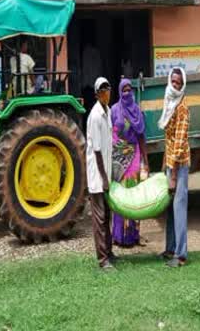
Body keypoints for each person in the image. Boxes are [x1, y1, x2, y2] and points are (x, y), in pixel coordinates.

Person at [110, 78, 148, 248]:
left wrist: (145, 161)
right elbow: (110, 134)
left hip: (134, 157)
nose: (127, 93)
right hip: (118, 158)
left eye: (129, 89)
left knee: (133, 195)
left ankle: (133, 236)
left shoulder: (137, 111)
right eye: (124, 90)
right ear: (119, 92)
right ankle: (119, 236)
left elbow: (141, 137)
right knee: (120, 195)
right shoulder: (114, 110)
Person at [159, 67, 190, 268]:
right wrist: (164, 164)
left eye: (178, 82)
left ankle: (180, 255)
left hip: (179, 165)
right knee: (170, 208)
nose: (175, 85)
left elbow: (179, 144)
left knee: (179, 207)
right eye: (173, 81)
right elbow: (168, 140)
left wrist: (173, 176)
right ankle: (170, 248)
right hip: (170, 162)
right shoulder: (169, 102)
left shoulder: (182, 107)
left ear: (183, 84)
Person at [86, 77, 115, 270]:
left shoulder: (108, 111)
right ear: (97, 94)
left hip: (106, 172)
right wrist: (104, 178)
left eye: (107, 89)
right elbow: (96, 150)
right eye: (102, 90)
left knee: (108, 215)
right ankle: (102, 259)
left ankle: (109, 252)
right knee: (99, 217)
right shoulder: (95, 116)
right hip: (98, 175)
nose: (106, 93)